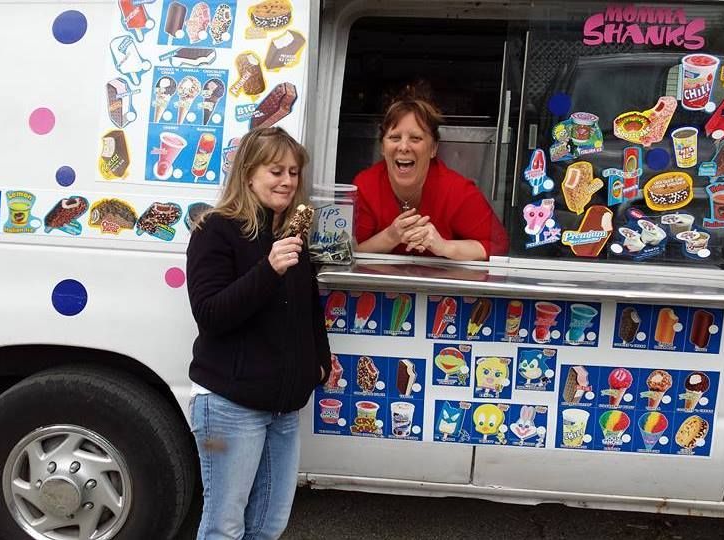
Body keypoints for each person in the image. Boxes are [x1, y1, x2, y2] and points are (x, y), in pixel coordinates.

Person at [185, 127, 331, 539]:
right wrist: (268, 269)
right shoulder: (214, 230)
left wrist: (320, 361)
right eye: (275, 171)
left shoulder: (289, 234)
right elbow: (211, 315)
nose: (287, 180)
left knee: (268, 525)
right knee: (224, 526)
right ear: (248, 174)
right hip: (229, 408)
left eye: (293, 171)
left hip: (282, 409)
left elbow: (305, 309)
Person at [353, 92, 509, 261]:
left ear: (434, 148)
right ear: (383, 147)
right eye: (394, 137)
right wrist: (390, 237)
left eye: (415, 138)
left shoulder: (456, 191)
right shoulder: (365, 185)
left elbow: (498, 246)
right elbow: (348, 252)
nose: (403, 147)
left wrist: (444, 246)